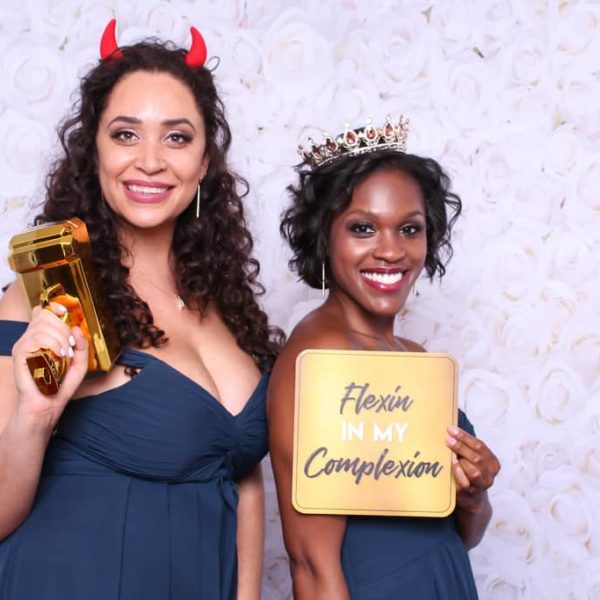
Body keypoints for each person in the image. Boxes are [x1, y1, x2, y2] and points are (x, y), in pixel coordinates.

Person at [0, 20, 282, 600]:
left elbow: (241, 475)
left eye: (177, 138)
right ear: (93, 152)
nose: (150, 160)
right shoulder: (51, 294)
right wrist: (34, 415)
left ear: (203, 162)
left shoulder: (227, 303)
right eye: (125, 134)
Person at [268, 117, 501, 599]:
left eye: (409, 229)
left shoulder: (412, 356)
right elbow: (312, 566)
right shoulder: (323, 358)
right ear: (324, 237)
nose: (391, 251)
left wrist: (473, 494)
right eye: (363, 228)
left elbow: (457, 535)